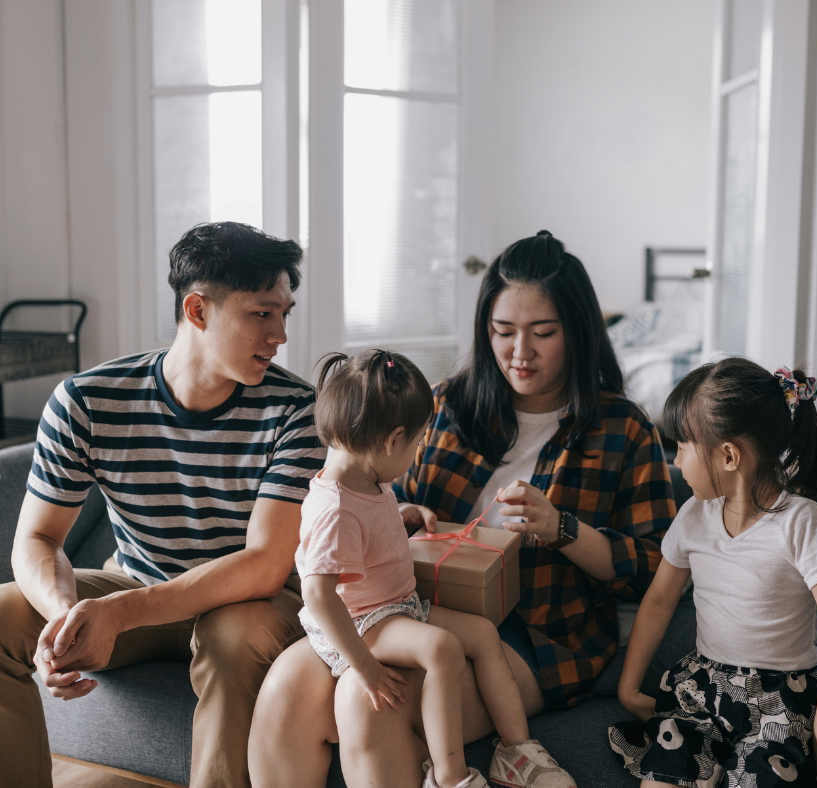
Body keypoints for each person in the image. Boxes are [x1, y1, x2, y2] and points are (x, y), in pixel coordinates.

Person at [249, 230, 677, 787]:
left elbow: (656, 573)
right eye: (503, 332)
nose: (519, 353)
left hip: (539, 634)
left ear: (577, 332)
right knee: (284, 689)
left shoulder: (623, 429)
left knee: (367, 702)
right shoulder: (447, 403)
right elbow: (389, 496)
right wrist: (405, 514)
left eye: (542, 333)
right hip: (407, 607)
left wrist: (562, 527)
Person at [0, 222, 325, 788]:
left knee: (234, 635)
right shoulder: (88, 401)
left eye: (284, 314)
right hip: (136, 584)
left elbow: (266, 564)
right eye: (261, 314)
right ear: (197, 310)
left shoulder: (298, 411)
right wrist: (65, 617)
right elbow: (37, 539)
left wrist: (119, 615)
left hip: (250, 601)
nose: (280, 335)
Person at [296, 349, 575, 788]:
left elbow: (364, 526)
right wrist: (364, 666)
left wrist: (400, 512)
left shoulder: (366, 478)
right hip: (362, 621)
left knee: (483, 634)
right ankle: (450, 776)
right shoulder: (335, 508)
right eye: (417, 442)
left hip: (395, 605)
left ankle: (516, 751)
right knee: (442, 648)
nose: (419, 450)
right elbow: (317, 593)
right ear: (392, 441)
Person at [609, 359, 817, 787]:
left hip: (781, 701)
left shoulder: (799, 522)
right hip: (703, 692)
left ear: (729, 455)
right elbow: (659, 600)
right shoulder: (693, 515)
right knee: (663, 777)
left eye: (680, 446)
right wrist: (628, 686)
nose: (675, 460)